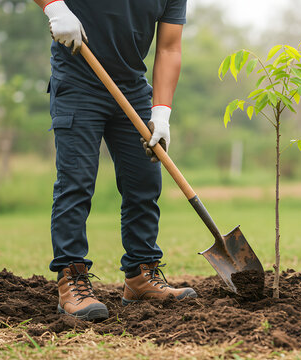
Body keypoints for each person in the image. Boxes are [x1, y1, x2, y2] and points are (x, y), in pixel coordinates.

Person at [34, 0, 196, 321]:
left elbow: (168, 48)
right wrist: (54, 8)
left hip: (133, 87)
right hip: (78, 80)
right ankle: (72, 280)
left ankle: (140, 275)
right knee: (76, 182)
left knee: (144, 183)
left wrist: (161, 112)